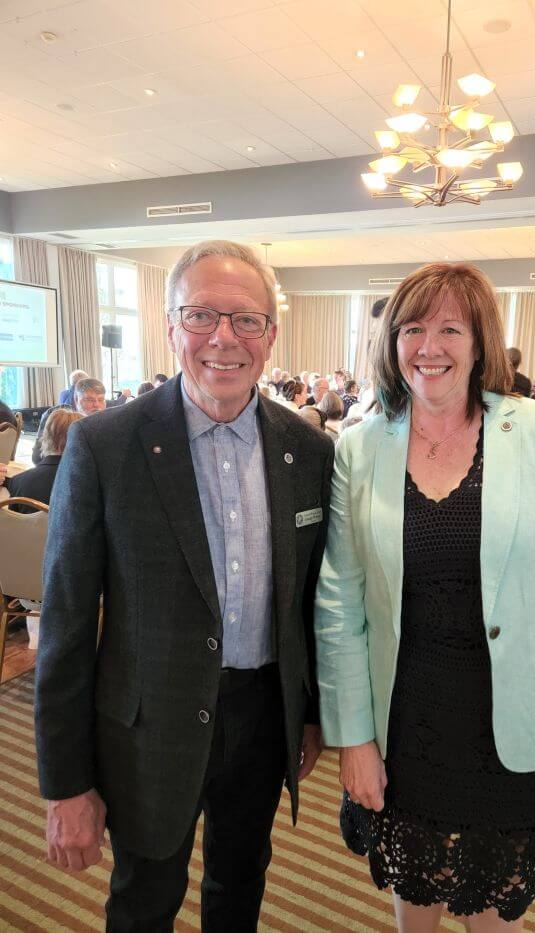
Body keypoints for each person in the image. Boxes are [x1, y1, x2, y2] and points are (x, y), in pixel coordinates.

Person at [35, 240, 335, 932]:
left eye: (245, 319)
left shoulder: (309, 449)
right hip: (147, 727)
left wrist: (312, 713)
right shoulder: (105, 445)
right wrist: (66, 783)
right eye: (201, 314)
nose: (223, 338)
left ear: (271, 334)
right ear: (170, 326)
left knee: (240, 886)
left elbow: (314, 600)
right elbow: (68, 625)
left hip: (262, 718)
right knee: (144, 900)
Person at [315, 262, 535, 932]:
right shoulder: (361, 447)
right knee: (415, 900)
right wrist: (353, 736)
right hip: (406, 723)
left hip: (514, 725)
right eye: (414, 327)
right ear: (392, 341)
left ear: (480, 341)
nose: (431, 346)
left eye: (451, 327)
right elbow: (339, 602)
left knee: (495, 913)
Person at [1, 409, 83, 513]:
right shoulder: (92, 481)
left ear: (45, 436)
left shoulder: (18, 482)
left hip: (30, 529)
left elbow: (14, 524)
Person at [32, 378, 107, 464]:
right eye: (89, 400)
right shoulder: (57, 417)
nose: (97, 405)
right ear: (76, 399)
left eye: (101, 400)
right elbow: (37, 457)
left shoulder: (109, 419)